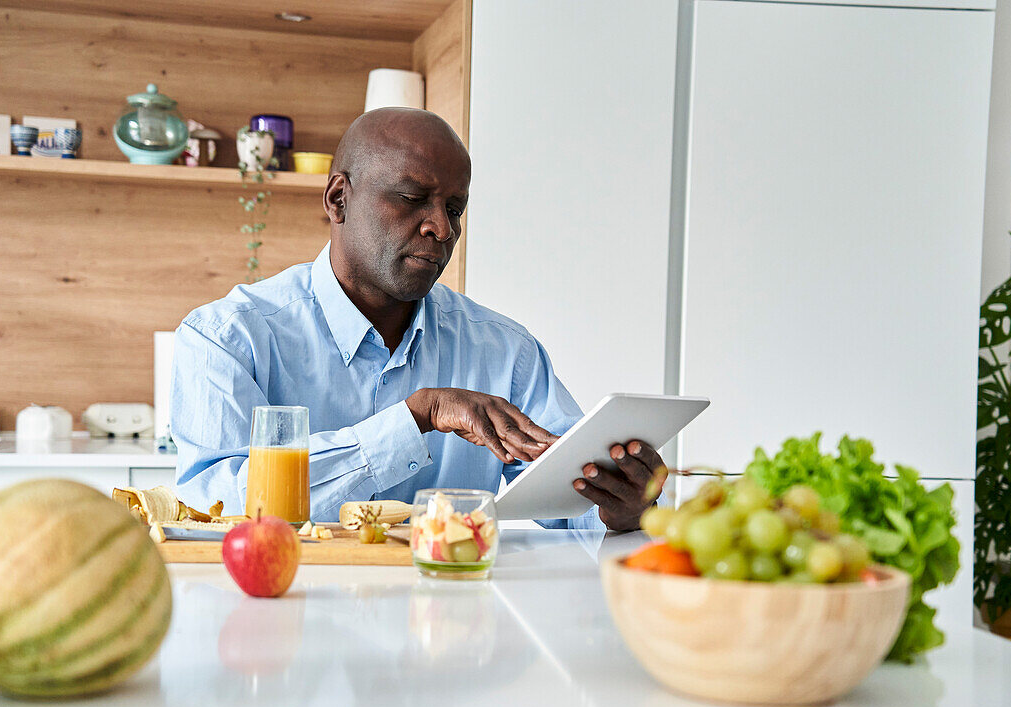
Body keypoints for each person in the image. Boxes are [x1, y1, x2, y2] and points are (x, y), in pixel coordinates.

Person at [170, 108, 664, 531]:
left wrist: (617, 508)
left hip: (458, 632)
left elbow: (569, 505)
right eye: (411, 199)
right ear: (338, 199)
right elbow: (218, 512)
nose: (441, 228)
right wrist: (416, 417)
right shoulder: (227, 339)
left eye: (455, 208)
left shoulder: (506, 352)